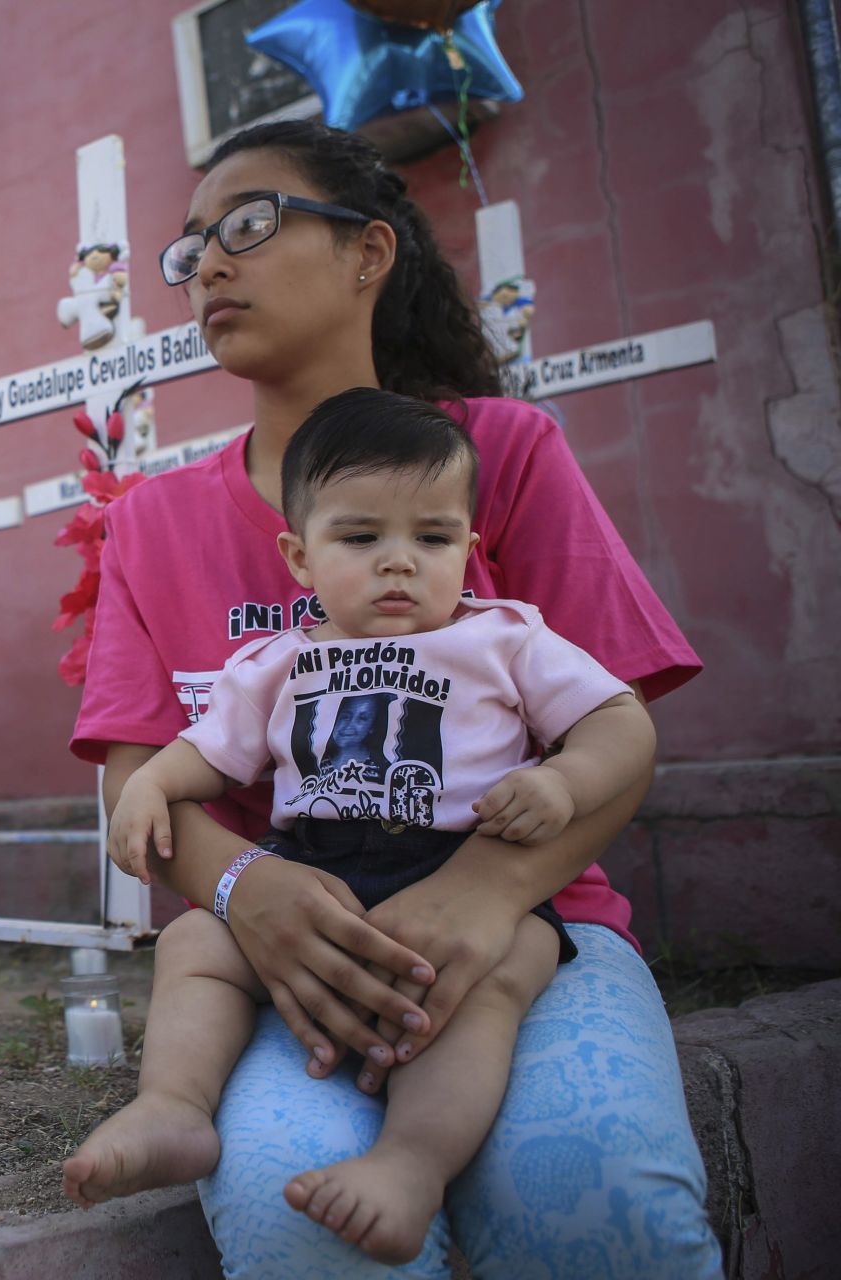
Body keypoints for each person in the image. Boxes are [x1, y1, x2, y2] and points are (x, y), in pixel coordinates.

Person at [60, 120, 720, 1276]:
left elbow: (619, 728)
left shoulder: (502, 457)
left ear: (368, 254)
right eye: (192, 246)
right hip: (284, 969)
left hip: (532, 927)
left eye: (250, 224)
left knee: (600, 1192)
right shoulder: (150, 524)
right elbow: (142, 782)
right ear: (297, 554)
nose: (210, 261)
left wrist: (486, 892)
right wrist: (243, 887)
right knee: (295, 1217)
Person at [93, 388, 656, 1262]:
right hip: (316, 875)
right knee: (193, 946)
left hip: (473, 871)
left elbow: (620, 723)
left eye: (431, 539)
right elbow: (207, 752)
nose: (400, 563)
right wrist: (148, 788)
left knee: (485, 991)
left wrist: (565, 780)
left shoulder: (505, 638)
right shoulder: (276, 662)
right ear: (300, 557)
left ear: (470, 550)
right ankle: (174, 1104)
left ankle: (409, 1164)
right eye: (361, 539)